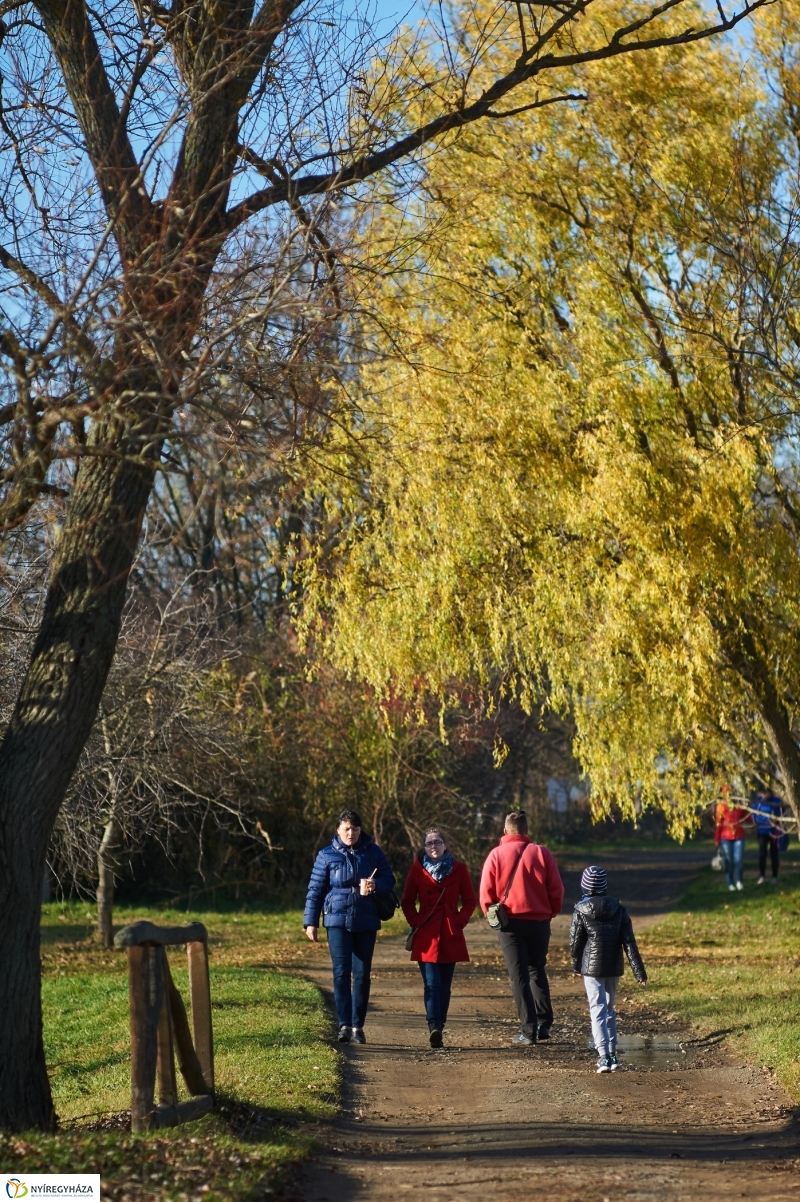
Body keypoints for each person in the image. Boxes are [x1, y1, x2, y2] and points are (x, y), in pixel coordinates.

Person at [303, 808, 395, 1044]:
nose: (351, 833)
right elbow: (315, 890)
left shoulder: (373, 852)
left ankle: (358, 1026)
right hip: (336, 921)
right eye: (346, 829)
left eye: (355, 829)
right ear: (338, 829)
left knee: (362, 975)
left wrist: (375, 885)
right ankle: (344, 1024)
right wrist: (310, 921)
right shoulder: (326, 855)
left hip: (366, 920)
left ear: (360, 830)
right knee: (341, 973)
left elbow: (389, 880)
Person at [479, 810, 564, 1046]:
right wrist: (550, 911)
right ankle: (545, 1023)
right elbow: (556, 889)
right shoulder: (542, 853)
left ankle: (529, 1030)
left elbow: (486, 892)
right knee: (537, 969)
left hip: (510, 923)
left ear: (505, 831)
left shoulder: (495, 855)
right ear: (526, 831)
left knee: (519, 977)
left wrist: (490, 914)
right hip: (539, 921)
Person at [401, 826, 476, 1049]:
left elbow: (470, 901)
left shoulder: (459, 869)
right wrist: (416, 921)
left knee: (444, 985)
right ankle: (433, 1025)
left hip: (450, 934)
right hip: (426, 935)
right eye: (429, 843)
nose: (433, 846)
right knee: (431, 984)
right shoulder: (417, 870)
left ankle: (439, 1026)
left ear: (445, 845)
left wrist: (459, 921)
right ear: (424, 847)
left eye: (437, 842)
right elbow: (406, 901)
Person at [569, 865, 647, 1073]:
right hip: (613, 966)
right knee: (609, 1010)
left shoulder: (580, 910)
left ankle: (603, 1056)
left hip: (591, 968)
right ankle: (612, 1054)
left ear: (585, 886)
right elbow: (629, 942)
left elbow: (575, 943)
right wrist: (639, 972)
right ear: (604, 886)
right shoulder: (619, 909)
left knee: (597, 1011)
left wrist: (576, 965)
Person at [714, 785, 750, 892]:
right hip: (726, 836)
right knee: (728, 861)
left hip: (739, 835)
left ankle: (739, 881)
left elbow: (747, 817)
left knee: (738, 860)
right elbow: (718, 823)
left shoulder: (739, 804)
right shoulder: (721, 806)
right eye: (727, 793)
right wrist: (717, 838)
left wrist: (749, 808)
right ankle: (730, 882)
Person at [751, 788, 784, 885]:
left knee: (774, 854)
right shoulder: (758, 802)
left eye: (766, 792)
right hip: (762, 831)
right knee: (762, 854)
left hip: (774, 831)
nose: (764, 795)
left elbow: (782, 813)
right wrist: (768, 820)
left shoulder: (777, 801)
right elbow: (755, 816)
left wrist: (777, 820)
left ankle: (774, 876)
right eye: (762, 792)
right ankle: (762, 875)